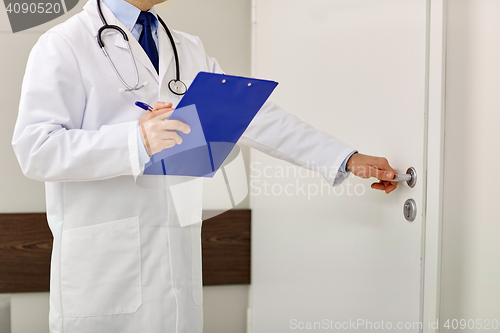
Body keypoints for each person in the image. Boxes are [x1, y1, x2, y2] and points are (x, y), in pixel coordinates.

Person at [12, 0, 398, 332]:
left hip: (174, 265)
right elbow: (35, 148)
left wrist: (344, 158)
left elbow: (254, 117)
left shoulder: (186, 49)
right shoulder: (64, 44)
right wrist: (136, 140)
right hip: (104, 274)